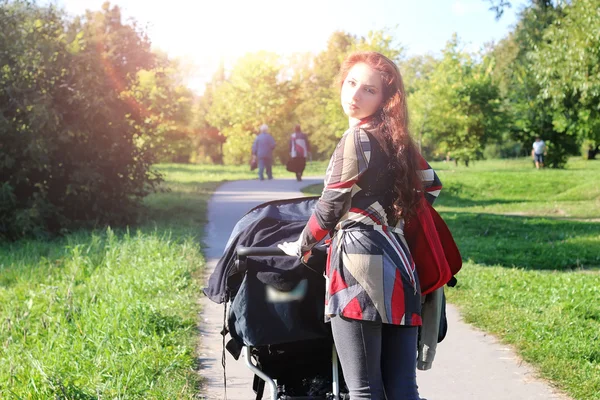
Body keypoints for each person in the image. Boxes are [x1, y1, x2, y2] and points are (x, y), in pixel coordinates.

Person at [278, 51, 442, 400]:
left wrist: (303, 243)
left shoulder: (357, 138)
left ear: (385, 99)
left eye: (369, 89)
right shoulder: (399, 142)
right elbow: (432, 186)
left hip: (358, 264)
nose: (355, 95)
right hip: (401, 266)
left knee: (365, 390)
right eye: (351, 83)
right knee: (402, 388)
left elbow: (331, 205)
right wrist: (393, 218)